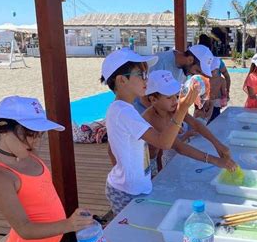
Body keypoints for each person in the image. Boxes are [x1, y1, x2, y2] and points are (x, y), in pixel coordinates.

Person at [0, 96, 94, 242]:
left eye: (38, 134)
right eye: (28, 133)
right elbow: (24, 229)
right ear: (2, 128)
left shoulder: (26, 154)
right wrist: (69, 224)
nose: (35, 141)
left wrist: (65, 226)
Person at [100, 48, 198, 215]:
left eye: (146, 74)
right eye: (141, 74)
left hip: (133, 187)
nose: (147, 79)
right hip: (127, 192)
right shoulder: (124, 112)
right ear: (122, 80)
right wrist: (182, 109)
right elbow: (164, 142)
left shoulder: (122, 108)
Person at [143, 70, 236, 173]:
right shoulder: (151, 118)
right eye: (169, 97)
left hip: (158, 157)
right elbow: (179, 147)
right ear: (153, 100)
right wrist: (215, 160)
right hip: (145, 165)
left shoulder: (171, 109)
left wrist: (218, 144)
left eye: (176, 95)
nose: (175, 100)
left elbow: (196, 124)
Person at [135, 44, 214, 114]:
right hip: (142, 114)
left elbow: (178, 97)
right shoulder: (160, 61)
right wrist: (166, 120)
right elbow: (143, 96)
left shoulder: (185, 70)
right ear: (190, 59)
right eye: (197, 70)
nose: (195, 74)